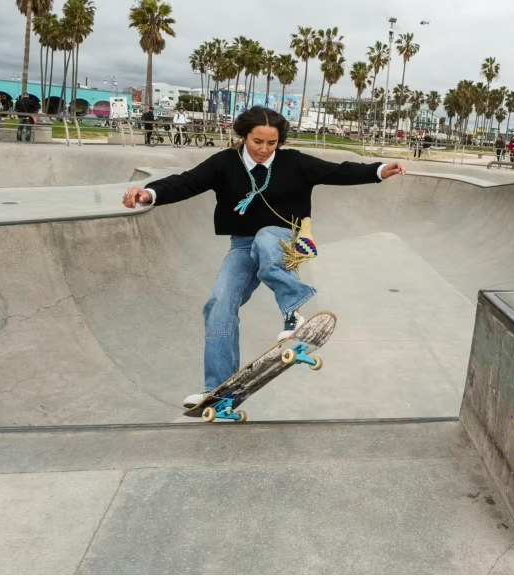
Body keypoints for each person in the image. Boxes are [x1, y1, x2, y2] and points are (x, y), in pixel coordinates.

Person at [121, 106, 407, 408]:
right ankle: (218, 390)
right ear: (245, 136)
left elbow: (336, 171)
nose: (264, 149)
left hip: (281, 240)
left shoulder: (293, 162)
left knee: (266, 236)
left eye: (272, 143)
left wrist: (377, 171)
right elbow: (185, 182)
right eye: (258, 142)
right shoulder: (225, 163)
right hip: (243, 246)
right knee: (219, 304)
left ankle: (293, 311)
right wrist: (150, 193)